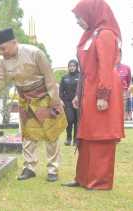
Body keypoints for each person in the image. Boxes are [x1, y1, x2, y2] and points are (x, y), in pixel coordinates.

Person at [0, 28, 67, 182]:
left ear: (14, 42)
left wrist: (54, 101)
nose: (1, 52)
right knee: (28, 134)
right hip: (24, 99)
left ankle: (53, 169)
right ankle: (29, 168)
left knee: (51, 133)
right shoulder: (2, 61)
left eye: (3, 48)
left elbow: (50, 78)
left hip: (44, 97)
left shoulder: (35, 53)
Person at [63, 0, 124, 190]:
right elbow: (85, 69)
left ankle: (99, 181)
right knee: (87, 134)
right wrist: (78, 94)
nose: (77, 21)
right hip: (89, 89)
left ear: (91, 12)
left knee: (100, 135)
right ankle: (83, 178)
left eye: (78, 16)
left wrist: (103, 95)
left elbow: (105, 67)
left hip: (102, 89)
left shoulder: (106, 34)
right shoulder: (90, 34)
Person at [59, 59, 80, 146]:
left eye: (73, 66)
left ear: (76, 66)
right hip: (67, 103)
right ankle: (68, 138)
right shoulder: (64, 77)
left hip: (78, 102)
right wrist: (61, 100)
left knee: (77, 121)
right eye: (70, 66)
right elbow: (61, 91)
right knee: (69, 120)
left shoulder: (81, 76)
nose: (71, 67)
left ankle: (75, 140)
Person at [115, 50, 131, 120]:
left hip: (123, 94)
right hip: (111, 94)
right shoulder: (108, 68)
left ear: (121, 56)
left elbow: (130, 82)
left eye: (119, 55)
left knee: (122, 115)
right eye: (116, 55)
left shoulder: (127, 68)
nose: (117, 57)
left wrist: (127, 93)